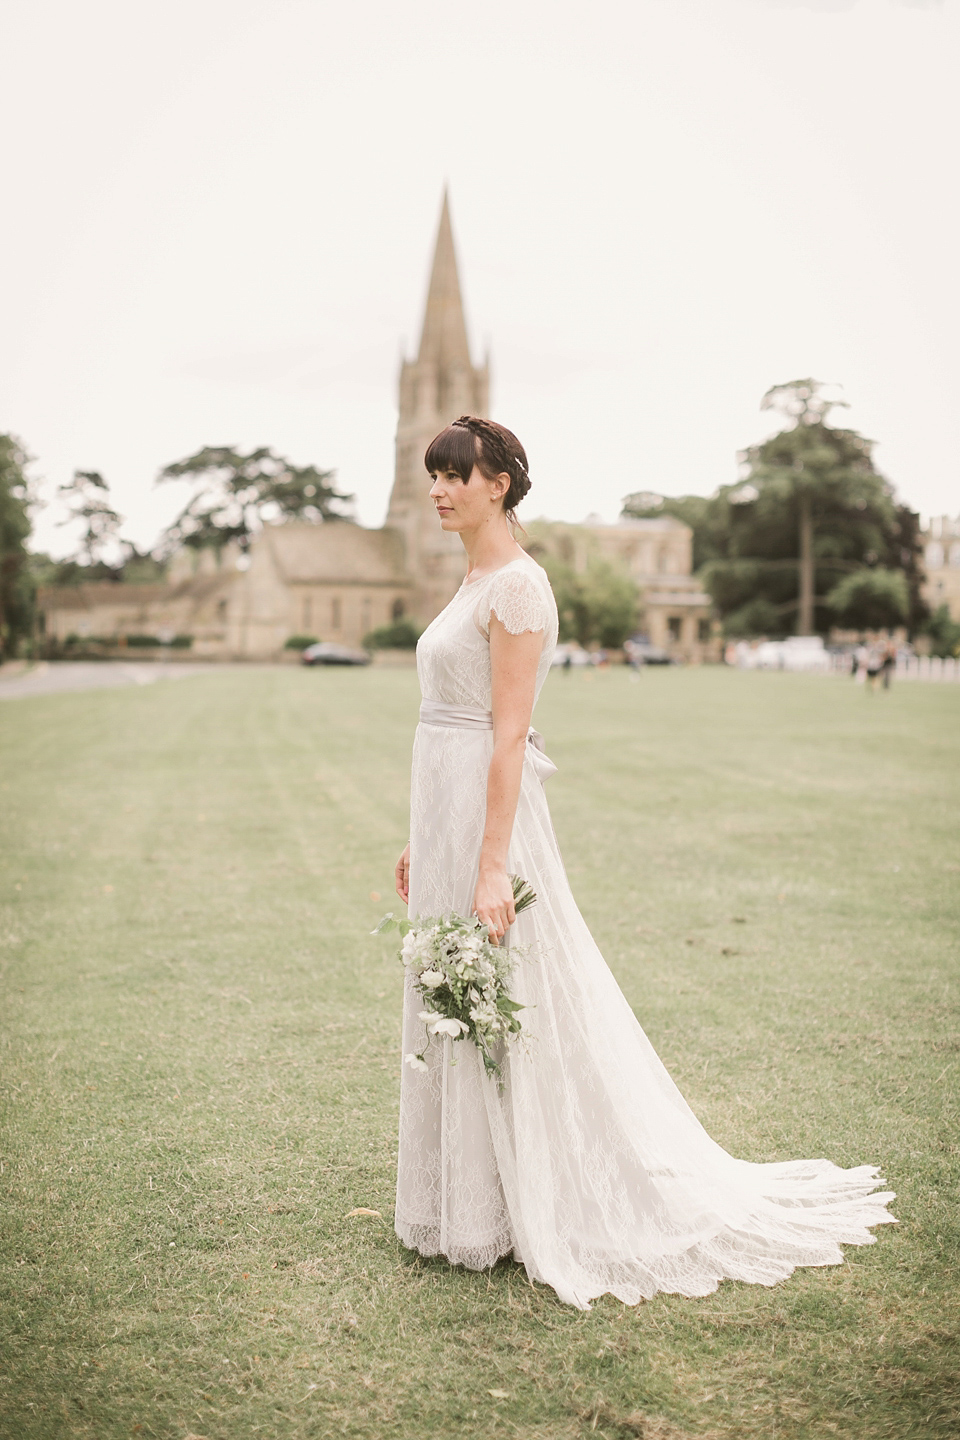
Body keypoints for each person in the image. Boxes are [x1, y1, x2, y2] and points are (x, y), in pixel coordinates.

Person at [393, 415, 895, 1311]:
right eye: (432, 475)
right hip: (446, 808)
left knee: (504, 995)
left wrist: (487, 864)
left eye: (453, 476)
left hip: (488, 816)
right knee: (453, 998)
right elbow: (448, 721)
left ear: (498, 483)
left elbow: (509, 735)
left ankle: (521, 1204)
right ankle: (470, 1202)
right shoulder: (470, 577)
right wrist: (423, 837)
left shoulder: (519, 589)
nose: (438, 489)